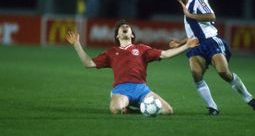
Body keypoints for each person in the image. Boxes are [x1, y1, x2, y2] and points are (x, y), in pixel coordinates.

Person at [66, 19, 199, 115]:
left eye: (127, 27)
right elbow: (88, 63)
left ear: (132, 35)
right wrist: (76, 45)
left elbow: (165, 54)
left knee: (168, 111)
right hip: (121, 90)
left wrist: (186, 46)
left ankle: (134, 109)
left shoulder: (142, 49)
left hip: (142, 90)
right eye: (121, 27)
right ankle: (130, 107)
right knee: (116, 110)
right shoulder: (111, 53)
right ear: (118, 35)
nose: (125, 27)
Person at [169, 0, 255, 115]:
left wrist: (191, 15)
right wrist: (180, 43)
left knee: (223, 72)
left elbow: (212, 16)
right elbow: (194, 32)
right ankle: (212, 108)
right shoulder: (185, 7)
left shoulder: (198, 0)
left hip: (211, 42)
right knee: (196, 73)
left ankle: (249, 98)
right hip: (197, 46)